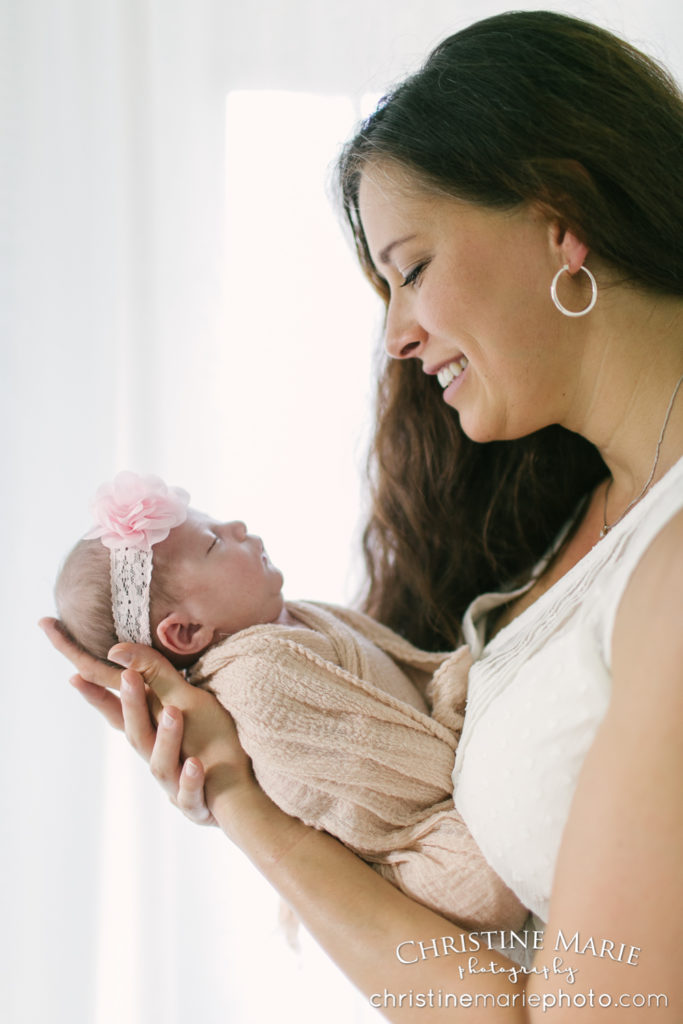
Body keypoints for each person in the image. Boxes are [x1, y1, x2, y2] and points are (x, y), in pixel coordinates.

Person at [42, 10, 683, 1020]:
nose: (394, 332)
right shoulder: (581, 515)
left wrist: (244, 810)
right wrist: (232, 784)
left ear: (563, 216)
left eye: (410, 266)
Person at [55, 470, 526, 934]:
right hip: (407, 838)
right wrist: (458, 728)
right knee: (481, 882)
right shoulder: (259, 680)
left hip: (433, 771)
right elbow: (397, 772)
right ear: (186, 631)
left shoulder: (287, 620)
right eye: (214, 543)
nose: (238, 527)